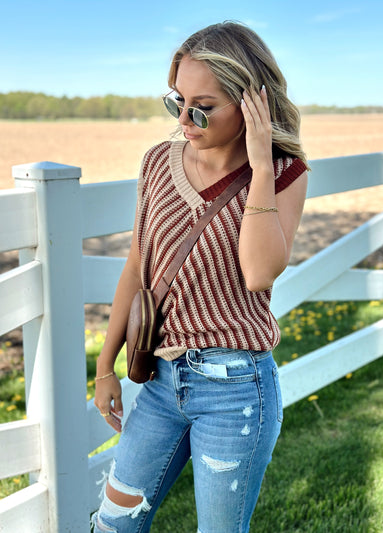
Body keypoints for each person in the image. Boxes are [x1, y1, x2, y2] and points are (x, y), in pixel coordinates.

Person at [93, 21, 308, 533]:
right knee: (112, 526)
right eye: (177, 100)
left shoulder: (284, 174)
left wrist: (258, 163)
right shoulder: (157, 163)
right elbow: (136, 264)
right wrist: (106, 366)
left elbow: (258, 273)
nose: (184, 119)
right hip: (163, 384)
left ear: (250, 102)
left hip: (238, 392)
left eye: (202, 107)